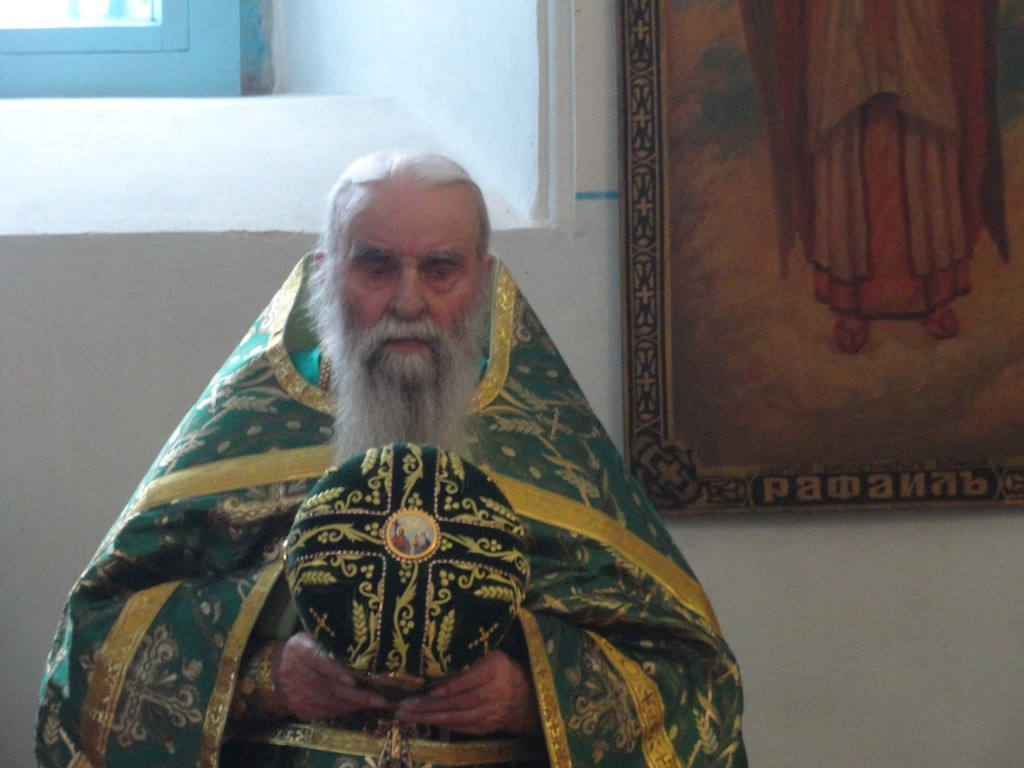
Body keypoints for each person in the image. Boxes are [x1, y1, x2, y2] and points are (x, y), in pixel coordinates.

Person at [36, 151, 747, 767]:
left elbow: (688, 673)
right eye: (376, 267)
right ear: (326, 273)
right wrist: (261, 677)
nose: (408, 300)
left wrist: (533, 693)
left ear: (483, 278)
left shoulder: (546, 440)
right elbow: (96, 645)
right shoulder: (250, 426)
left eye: (441, 269)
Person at [740, 0, 1008, 353]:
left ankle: (934, 292)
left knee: (923, 140)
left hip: (914, 19)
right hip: (842, 17)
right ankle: (851, 300)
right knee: (846, 139)